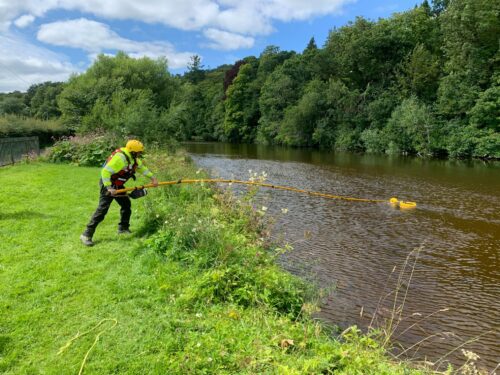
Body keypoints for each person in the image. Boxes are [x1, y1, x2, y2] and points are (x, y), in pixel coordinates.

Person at [80, 139, 158, 246]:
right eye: (138, 152)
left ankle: (123, 228)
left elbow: (142, 168)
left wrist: (153, 178)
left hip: (118, 185)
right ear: (133, 151)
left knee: (126, 205)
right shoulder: (120, 158)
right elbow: (105, 171)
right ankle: (86, 235)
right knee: (102, 209)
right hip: (108, 185)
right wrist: (109, 187)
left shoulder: (133, 159)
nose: (140, 154)